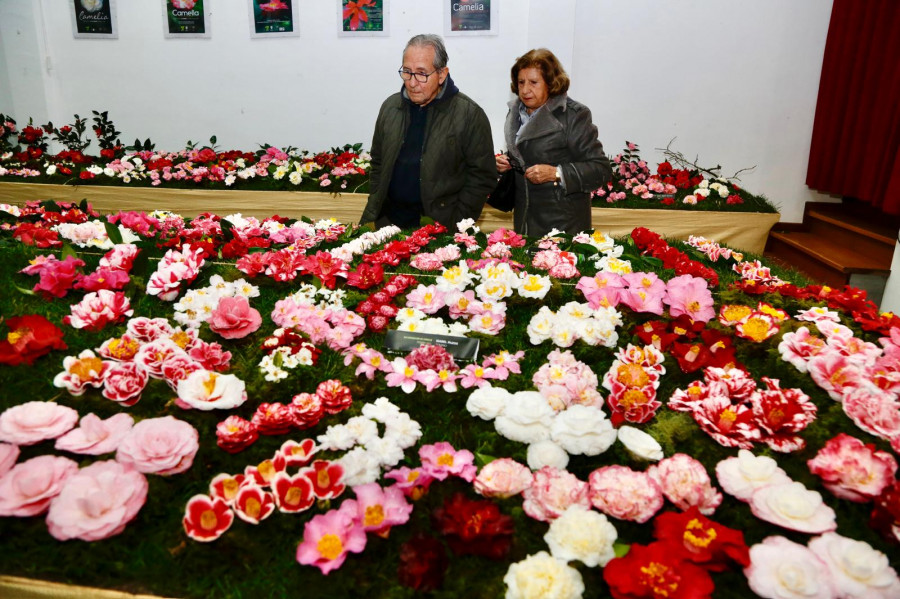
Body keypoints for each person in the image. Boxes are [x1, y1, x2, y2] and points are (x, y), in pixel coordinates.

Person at [360, 34, 496, 230]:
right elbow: (378, 162)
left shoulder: (469, 114)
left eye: (422, 73)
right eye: (407, 72)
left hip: (440, 229)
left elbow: (482, 176)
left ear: (442, 74)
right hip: (387, 223)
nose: (413, 82)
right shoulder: (390, 107)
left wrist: (457, 223)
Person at [496, 48, 612, 237]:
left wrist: (556, 173)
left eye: (533, 82)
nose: (525, 90)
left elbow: (600, 169)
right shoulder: (516, 112)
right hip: (524, 220)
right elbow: (531, 151)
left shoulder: (574, 115)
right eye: (521, 82)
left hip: (563, 224)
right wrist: (507, 163)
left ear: (551, 83)